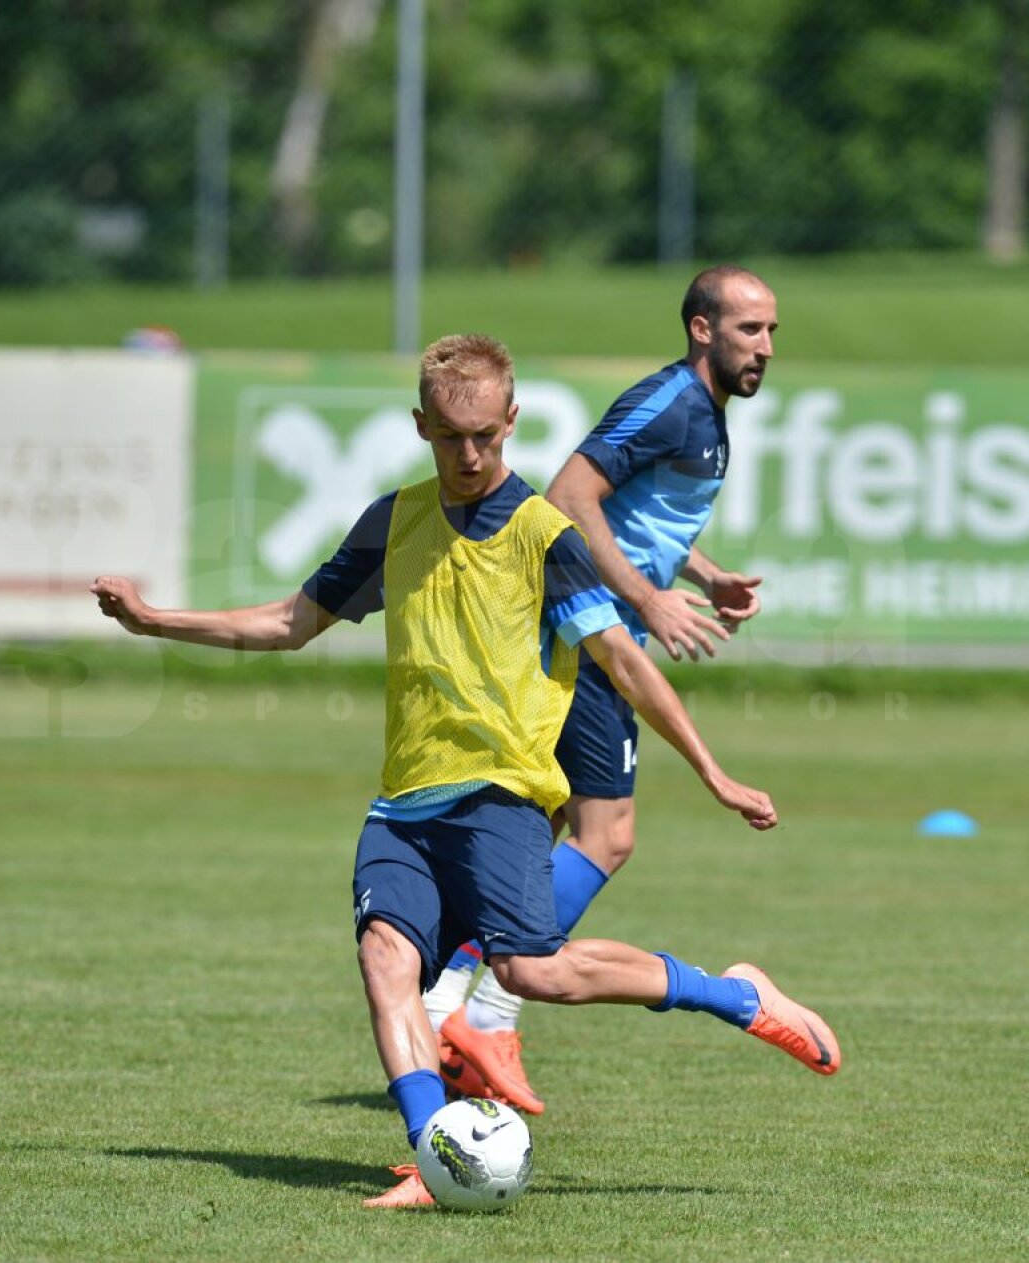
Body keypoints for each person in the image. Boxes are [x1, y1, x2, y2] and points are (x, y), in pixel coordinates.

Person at [92, 333, 838, 1211]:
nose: (471, 454)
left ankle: (730, 993)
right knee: (386, 960)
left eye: (486, 434)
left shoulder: (544, 534)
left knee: (533, 973)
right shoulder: (391, 522)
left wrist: (713, 771)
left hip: (502, 796)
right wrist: (153, 621)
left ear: (512, 421)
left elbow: (623, 662)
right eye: (452, 437)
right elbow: (289, 622)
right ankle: (432, 1152)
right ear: (422, 426)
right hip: (404, 802)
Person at [422, 267, 781, 1115]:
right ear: (702, 329)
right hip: (584, 638)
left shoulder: (709, 418)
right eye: (747, 330)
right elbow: (572, 494)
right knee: (605, 835)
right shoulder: (670, 402)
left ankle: (447, 1002)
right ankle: (491, 1012)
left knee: (537, 829)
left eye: (770, 331)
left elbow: (638, 515)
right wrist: (649, 598)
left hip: (584, 630)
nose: (764, 347)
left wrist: (701, 570)